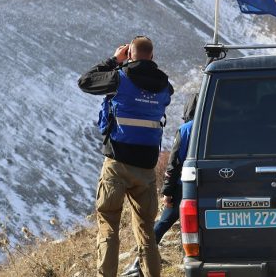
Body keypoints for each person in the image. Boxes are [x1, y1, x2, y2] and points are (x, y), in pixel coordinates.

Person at [78, 36, 174, 277]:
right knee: (146, 232)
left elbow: (85, 81)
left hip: (117, 163)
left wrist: (113, 60)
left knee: (109, 224)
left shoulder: (118, 78)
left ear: (130, 54)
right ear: (151, 56)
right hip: (146, 168)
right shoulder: (165, 86)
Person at [121, 93, 197, 277]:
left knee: (162, 224)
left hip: (184, 187)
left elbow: (174, 163)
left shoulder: (186, 129)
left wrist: (167, 192)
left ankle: (139, 265)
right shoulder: (214, 126)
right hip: (209, 184)